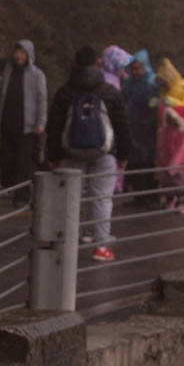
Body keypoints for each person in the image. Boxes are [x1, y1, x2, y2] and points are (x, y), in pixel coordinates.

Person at [45, 46, 132, 262]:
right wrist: (124, 154)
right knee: (102, 200)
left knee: (69, 199)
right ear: (97, 63)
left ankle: (65, 244)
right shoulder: (109, 92)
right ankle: (101, 247)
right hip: (104, 154)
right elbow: (122, 125)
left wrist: (53, 156)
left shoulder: (65, 92)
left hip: (70, 154)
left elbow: (54, 126)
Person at [0, 39, 47, 207]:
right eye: (17, 51)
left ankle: (22, 196)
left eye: (23, 52)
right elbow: (1, 96)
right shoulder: (8, 71)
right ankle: (10, 187)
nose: (19, 55)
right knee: (7, 159)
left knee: (23, 162)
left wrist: (41, 122)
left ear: (29, 55)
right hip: (7, 123)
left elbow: (41, 99)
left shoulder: (37, 74)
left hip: (27, 126)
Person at [154, 58, 184, 213]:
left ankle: (182, 200)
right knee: (169, 172)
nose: (163, 84)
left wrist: (171, 102)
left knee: (183, 171)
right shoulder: (164, 90)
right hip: (169, 134)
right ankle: (170, 200)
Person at [121, 49, 160, 201]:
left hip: (147, 131)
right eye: (133, 68)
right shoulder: (129, 84)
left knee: (148, 163)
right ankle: (138, 195)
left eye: (138, 68)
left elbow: (155, 107)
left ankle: (151, 196)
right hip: (132, 129)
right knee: (134, 164)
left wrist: (148, 123)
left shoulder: (152, 83)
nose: (135, 71)